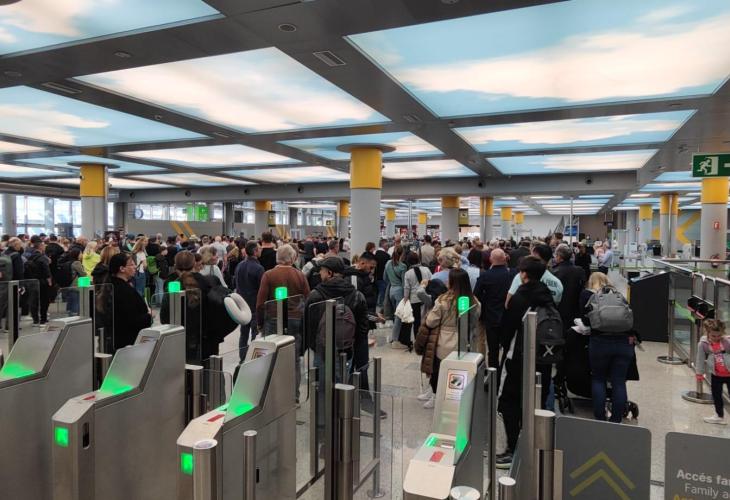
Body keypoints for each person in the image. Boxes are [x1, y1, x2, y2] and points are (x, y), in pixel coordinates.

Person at [497, 256, 555, 469]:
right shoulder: (547, 295)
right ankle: (535, 445)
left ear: (523, 274)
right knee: (535, 401)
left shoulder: (520, 296)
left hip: (519, 356)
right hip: (544, 357)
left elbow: (507, 328)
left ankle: (513, 449)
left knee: (508, 401)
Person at [305, 257, 372, 411]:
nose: (320, 274)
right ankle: (342, 416)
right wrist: (352, 343)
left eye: (322, 271)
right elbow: (363, 327)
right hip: (346, 350)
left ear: (329, 273)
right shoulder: (356, 295)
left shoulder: (315, 296)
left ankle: (324, 419)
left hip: (322, 351)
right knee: (343, 383)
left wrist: (315, 346)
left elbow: (308, 326)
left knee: (323, 389)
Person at [418, 269, 480, 409]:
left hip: (444, 341)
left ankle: (435, 396)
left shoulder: (443, 300)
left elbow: (431, 321)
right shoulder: (474, 301)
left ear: (452, 282)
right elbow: (474, 321)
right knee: (457, 372)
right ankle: (454, 397)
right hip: (464, 341)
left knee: (437, 370)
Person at [580, 272, 636, 423]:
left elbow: (586, 320)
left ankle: (600, 417)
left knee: (598, 379)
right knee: (619, 381)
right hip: (623, 342)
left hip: (600, 341)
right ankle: (616, 419)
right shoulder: (619, 296)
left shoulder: (591, 297)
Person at [255, 245, 310, 400]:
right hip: (295, 320)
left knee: (271, 357)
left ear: (277, 257)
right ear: (292, 258)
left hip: (273, 319)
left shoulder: (268, 275)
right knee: (294, 359)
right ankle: (294, 396)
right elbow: (308, 299)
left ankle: (273, 394)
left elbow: (260, 303)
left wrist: (260, 323)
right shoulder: (300, 275)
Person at [473, 248, 514, 372]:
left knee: (493, 348)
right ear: (505, 259)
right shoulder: (512, 275)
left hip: (491, 316)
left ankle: (493, 374)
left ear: (491, 259)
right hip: (508, 315)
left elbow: (476, 294)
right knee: (508, 347)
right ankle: (505, 371)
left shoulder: (485, 276)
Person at [107, 252, 152, 353]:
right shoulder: (124, 291)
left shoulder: (111, 285)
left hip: (115, 339)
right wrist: (149, 315)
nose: (135, 267)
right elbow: (131, 319)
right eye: (131, 264)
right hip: (127, 342)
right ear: (122, 269)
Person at [695, 319, 730, 425]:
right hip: (716, 375)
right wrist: (699, 373)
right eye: (713, 336)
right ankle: (719, 416)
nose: (716, 338)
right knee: (716, 396)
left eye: (719, 335)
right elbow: (700, 359)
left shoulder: (727, 342)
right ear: (707, 333)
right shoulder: (703, 344)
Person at [235, 240, 264, 362]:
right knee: (255, 335)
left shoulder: (239, 265)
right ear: (255, 251)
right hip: (254, 306)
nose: (261, 250)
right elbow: (262, 289)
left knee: (243, 333)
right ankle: (254, 359)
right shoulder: (259, 268)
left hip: (242, 306)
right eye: (259, 248)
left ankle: (242, 358)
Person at [401, 251, 432, 350]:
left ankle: (418, 342)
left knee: (416, 322)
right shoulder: (426, 269)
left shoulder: (408, 273)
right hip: (426, 297)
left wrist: (405, 300)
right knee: (427, 320)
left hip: (414, 300)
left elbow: (407, 288)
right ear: (418, 259)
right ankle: (427, 341)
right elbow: (431, 281)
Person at [552, 244, 586, 331]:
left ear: (559, 256)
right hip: (576, 309)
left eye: (555, 255)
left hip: (559, 309)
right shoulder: (580, 271)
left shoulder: (554, 272)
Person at [23, 236, 52, 325]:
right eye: (43, 246)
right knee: (44, 300)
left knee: (34, 300)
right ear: (40, 247)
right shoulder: (42, 257)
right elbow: (46, 269)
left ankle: (35, 319)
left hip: (32, 281)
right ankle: (43, 318)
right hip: (42, 281)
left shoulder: (30, 256)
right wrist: (49, 280)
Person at [384, 245, 406, 345]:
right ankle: (395, 337)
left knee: (394, 314)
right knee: (398, 315)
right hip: (399, 291)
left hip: (391, 290)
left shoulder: (388, 263)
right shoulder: (403, 266)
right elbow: (404, 283)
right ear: (402, 254)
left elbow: (385, 278)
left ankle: (395, 334)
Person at [374, 239, 390, 310]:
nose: (388, 247)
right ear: (383, 245)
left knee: (377, 293)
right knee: (382, 294)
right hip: (383, 277)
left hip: (375, 277)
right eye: (387, 245)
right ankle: (381, 309)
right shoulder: (386, 256)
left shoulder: (375, 254)